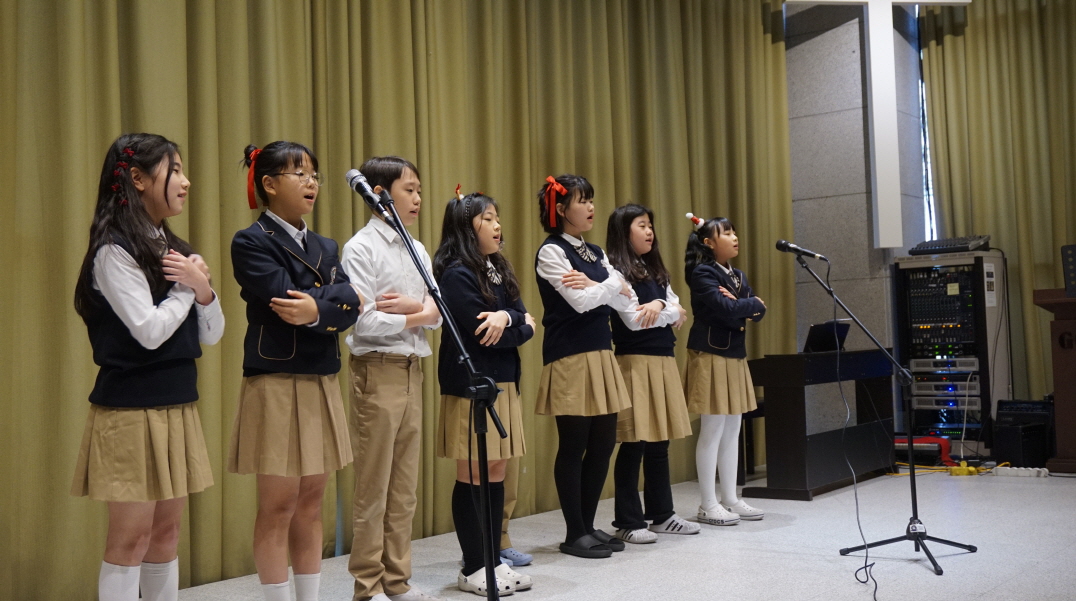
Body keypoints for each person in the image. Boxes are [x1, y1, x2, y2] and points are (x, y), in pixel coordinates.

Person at [72, 133, 224, 601]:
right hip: (130, 410)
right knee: (130, 540)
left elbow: (212, 334)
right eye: (173, 170)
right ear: (137, 178)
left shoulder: (173, 248)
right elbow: (149, 331)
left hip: (176, 403)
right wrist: (187, 287)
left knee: (166, 535)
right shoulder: (113, 250)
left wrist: (204, 291)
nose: (186, 181)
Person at [229, 141, 363, 601]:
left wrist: (317, 308)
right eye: (299, 174)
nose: (311, 183)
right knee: (279, 506)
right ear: (269, 184)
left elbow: (353, 303)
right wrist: (327, 303)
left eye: (314, 175)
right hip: (276, 380)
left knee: (311, 503)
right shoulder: (251, 240)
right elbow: (285, 299)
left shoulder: (326, 245)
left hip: (321, 376)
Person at [341, 156, 443, 601]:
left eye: (419, 190)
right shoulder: (360, 248)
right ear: (380, 194)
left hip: (412, 370)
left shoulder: (418, 249)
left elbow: (439, 313)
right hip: (376, 371)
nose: (418, 198)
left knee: (404, 489)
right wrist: (418, 314)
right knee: (374, 488)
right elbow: (364, 322)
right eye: (409, 190)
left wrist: (412, 310)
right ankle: (367, 586)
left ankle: (397, 581)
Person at [434, 190, 535, 596]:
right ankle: (474, 565)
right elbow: (483, 334)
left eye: (496, 217)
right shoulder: (457, 272)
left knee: (496, 471)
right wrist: (516, 324)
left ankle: (493, 560)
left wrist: (507, 317)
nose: (497, 225)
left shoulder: (498, 268)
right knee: (473, 472)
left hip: (504, 381)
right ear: (465, 226)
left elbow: (526, 321)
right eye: (487, 218)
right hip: (471, 385)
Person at [533, 174, 635, 559]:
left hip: (601, 352)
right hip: (570, 354)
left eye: (592, 200)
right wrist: (609, 284)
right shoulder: (551, 251)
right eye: (582, 201)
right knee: (574, 444)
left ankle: (589, 525)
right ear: (561, 209)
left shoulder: (595, 252)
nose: (591, 207)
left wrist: (600, 285)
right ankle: (574, 532)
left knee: (603, 443)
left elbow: (624, 300)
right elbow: (580, 303)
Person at [604, 204, 700, 543]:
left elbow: (679, 311)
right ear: (624, 231)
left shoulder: (656, 268)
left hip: (662, 358)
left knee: (660, 440)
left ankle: (663, 515)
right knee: (634, 442)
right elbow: (633, 320)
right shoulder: (615, 270)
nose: (649, 232)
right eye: (642, 225)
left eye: (650, 225)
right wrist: (667, 310)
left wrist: (660, 305)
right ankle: (628, 521)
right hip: (634, 360)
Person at [683, 214, 766, 526]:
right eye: (726, 233)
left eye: (734, 232)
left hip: (734, 354)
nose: (734, 237)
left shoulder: (738, 275)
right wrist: (750, 303)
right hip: (710, 354)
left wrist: (747, 304)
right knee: (713, 428)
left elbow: (757, 312)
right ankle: (708, 503)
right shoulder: (703, 273)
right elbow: (733, 308)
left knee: (733, 427)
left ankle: (730, 498)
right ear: (708, 243)